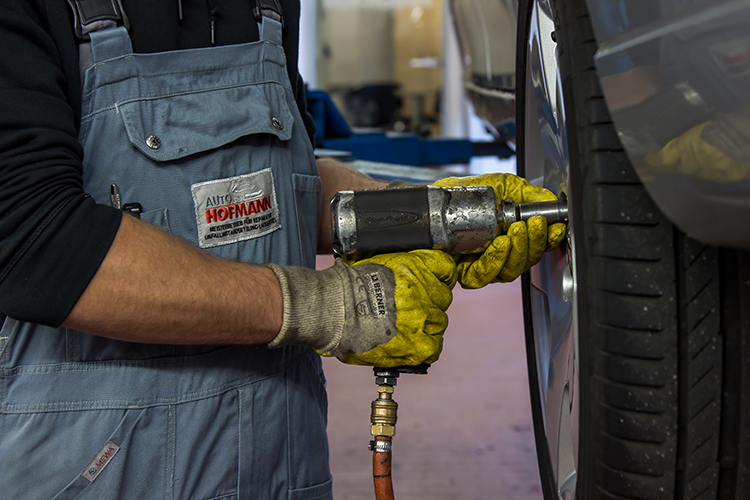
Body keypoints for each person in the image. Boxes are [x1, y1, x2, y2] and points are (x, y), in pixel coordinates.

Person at [0, 1, 564, 498]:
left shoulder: (267, 5)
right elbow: (36, 239)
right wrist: (329, 307)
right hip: (102, 468)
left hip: (280, 462)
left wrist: (430, 217)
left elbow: (273, 184)